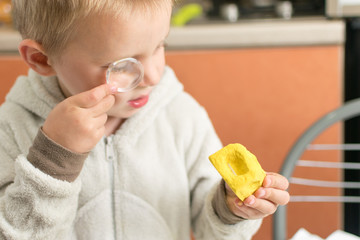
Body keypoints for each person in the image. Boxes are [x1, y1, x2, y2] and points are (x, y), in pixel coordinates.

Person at [0, 0, 290, 239]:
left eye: (159, 46)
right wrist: (53, 160)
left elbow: (209, 229)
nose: (153, 76)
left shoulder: (181, 116)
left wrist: (229, 210)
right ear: (41, 59)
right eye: (123, 65)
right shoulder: (12, 126)